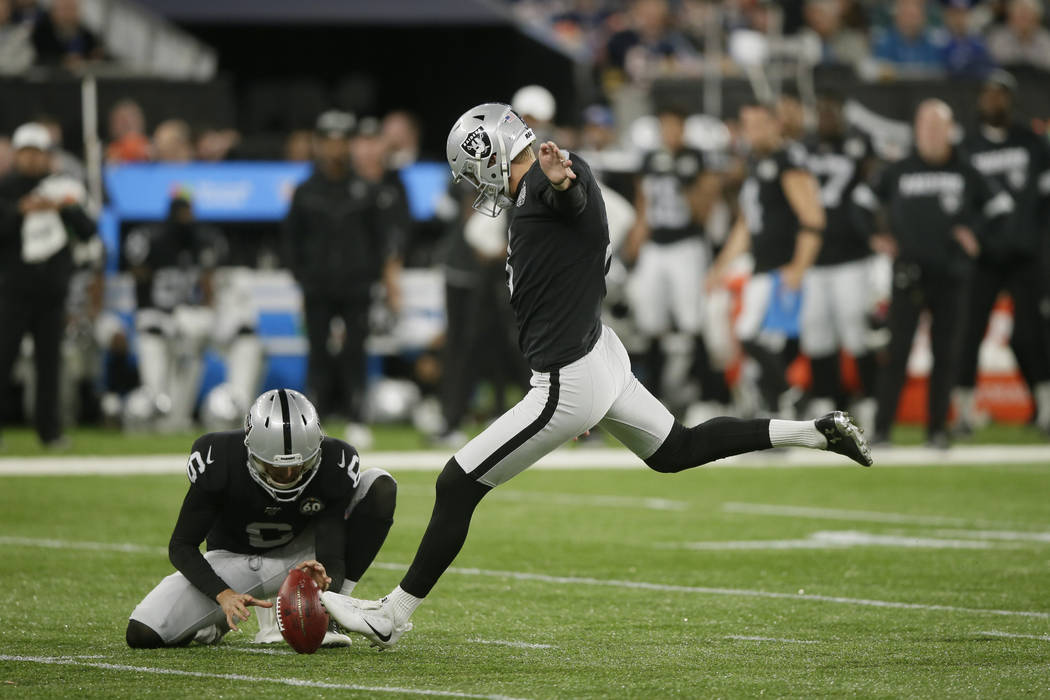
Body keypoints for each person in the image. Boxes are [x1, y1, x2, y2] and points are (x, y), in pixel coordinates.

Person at [319, 102, 872, 650]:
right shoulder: (546, 178)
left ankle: (393, 614)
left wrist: (561, 183)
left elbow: (566, 194)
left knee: (457, 483)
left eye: (472, 171)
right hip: (597, 355)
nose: (474, 186)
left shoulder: (545, 181)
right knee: (675, 449)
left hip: (569, 375)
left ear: (487, 155)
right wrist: (561, 181)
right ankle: (809, 431)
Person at [125, 389, 398, 648]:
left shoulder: (334, 462)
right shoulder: (218, 458)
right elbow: (182, 545)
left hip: (298, 559)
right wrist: (223, 594)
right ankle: (211, 622)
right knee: (143, 632)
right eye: (277, 468)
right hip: (232, 562)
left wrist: (329, 589)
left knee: (379, 485)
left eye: (298, 465)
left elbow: (332, 549)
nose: (289, 476)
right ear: (251, 451)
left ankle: (335, 615)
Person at [852, 100, 1014, 447]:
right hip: (908, 272)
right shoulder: (899, 168)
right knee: (897, 353)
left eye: (937, 126)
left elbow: (1001, 207)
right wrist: (874, 237)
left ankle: (937, 430)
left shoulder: (965, 169)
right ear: (916, 130)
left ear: (949, 130)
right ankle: (881, 430)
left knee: (947, 354)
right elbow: (861, 200)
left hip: (952, 274)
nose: (931, 133)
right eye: (925, 126)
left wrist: (977, 235)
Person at [283, 111, 398, 450]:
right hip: (317, 288)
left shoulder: (365, 190)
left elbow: (380, 240)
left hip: (356, 288)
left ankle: (357, 417)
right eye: (329, 141)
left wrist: (372, 276)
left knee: (355, 355)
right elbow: (290, 240)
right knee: (317, 356)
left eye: (341, 141)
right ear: (319, 145)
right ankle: (311, 423)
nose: (335, 149)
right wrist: (302, 276)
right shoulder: (305, 191)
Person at [708, 100, 826, 417]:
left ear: (776, 125)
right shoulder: (756, 163)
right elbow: (748, 223)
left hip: (782, 268)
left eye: (760, 124)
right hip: (763, 266)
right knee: (758, 343)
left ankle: (789, 400)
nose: (753, 132)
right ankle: (781, 407)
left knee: (753, 337)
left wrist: (799, 267)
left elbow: (812, 216)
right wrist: (720, 266)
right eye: (748, 125)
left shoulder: (788, 161)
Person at [956, 71, 1050, 434]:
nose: (993, 101)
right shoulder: (968, 146)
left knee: (1032, 334)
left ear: (1011, 99)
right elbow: (959, 202)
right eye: (988, 95)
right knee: (969, 332)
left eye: (1000, 95)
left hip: (1025, 255)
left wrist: (1039, 245)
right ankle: (964, 410)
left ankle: (1043, 408)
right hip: (983, 257)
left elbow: (1045, 202)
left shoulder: (1033, 142)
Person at [124, 193, 262, 430]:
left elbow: (209, 284)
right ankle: (158, 408)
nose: (185, 218)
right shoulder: (151, 240)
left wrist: (207, 310)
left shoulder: (204, 240)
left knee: (246, 337)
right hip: (162, 315)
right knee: (154, 335)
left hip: (197, 315)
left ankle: (238, 410)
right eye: (181, 213)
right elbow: (141, 285)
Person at [622, 106, 728, 411]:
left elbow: (703, 210)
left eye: (674, 126)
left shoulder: (696, 158)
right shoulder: (650, 159)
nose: (669, 133)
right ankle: (652, 397)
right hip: (656, 246)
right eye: (665, 126)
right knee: (650, 321)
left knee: (692, 320)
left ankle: (708, 397)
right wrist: (634, 246)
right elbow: (644, 205)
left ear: (683, 129)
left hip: (687, 244)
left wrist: (687, 181)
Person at [0, 122, 95, 447]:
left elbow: (88, 230)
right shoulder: (6, 187)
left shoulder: (62, 188)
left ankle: (50, 431)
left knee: (49, 364)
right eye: (26, 152)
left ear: (47, 156)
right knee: (3, 357)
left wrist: (64, 208)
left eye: (37, 153)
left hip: (52, 291)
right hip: (11, 289)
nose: (31, 159)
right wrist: (20, 211)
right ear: (17, 154)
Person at [800, 91, 880, 426]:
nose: (827, 117)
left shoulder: (860, 145)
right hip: (814, 259)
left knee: (856, 330)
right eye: (822, 110)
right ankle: (828, 400)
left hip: (852, 256)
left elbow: (876, 190)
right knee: (816, 332)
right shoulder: (802, 150)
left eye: (832, 110)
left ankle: (870, 400)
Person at [871, 0, 946, 75]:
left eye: (915, 15)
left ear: (924, 16)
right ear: (897, 15)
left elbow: (937, 73)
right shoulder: (884, 44)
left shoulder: (934, 45)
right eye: (906, 14)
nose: (910, 21)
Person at [29, 0, 102, 69]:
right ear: (53, 12)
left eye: (71, 9)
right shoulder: (41, 34)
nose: (68, 14)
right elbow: (38, 59)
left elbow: (100, 55)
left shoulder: (87, 35)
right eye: (64, 9)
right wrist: (62, 61)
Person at [986, 0, 1050, 71]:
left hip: (1039, 80)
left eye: (1028, 17)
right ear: (1010, 18)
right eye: (1020, 16)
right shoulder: (998, 38)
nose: (1024, 21)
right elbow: (994, 66)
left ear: (1037, 20)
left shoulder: (1045, 40)